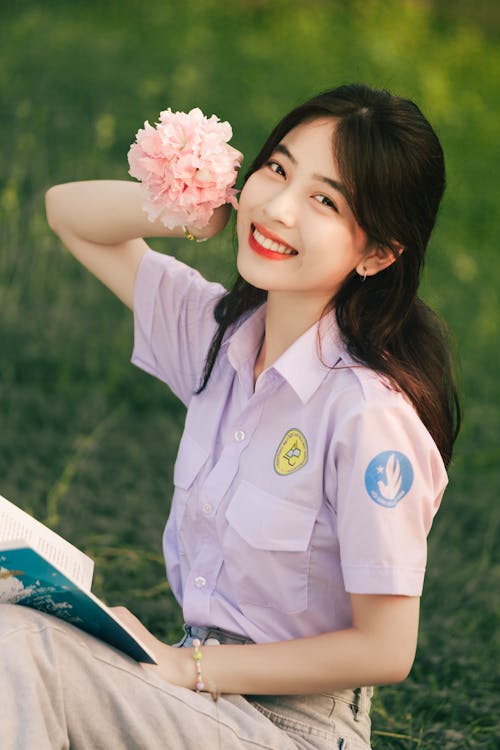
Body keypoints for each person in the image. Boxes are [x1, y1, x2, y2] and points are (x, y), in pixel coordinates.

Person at [2, 83, 460, 750]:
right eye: (276, 168)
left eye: (324, 200)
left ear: (378, 253)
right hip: (195, 696)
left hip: (290, 728)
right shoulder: (220, 333)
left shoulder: (368, 416)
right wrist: (186, 209)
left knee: (22, 645)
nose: (276, 207)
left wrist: (190, 667)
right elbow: (68, 213)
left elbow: (386, 649)